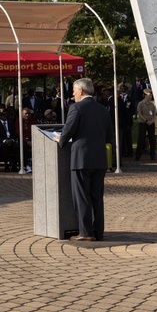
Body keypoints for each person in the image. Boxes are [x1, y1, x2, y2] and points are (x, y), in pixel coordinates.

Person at [60, 77, 113, 242]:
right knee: (97, 197)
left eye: (74, 91)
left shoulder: (76, 108)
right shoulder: (103, 109)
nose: (73, 94)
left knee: (82, 196)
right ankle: (98, 232)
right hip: (99, 159)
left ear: (81, 91)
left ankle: (85, 232)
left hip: (81, 159)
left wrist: (60, 140)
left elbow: (68, 130)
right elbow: (109, 136)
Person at [135, 90, 157, 161]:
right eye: (149, 95)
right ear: (145, 96)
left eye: (151, 95)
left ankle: (152, 155)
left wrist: (152, 121)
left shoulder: (152, 104)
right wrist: (145, 120)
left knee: (152, 139)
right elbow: (139, 113)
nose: (150, 97)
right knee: (141, 138)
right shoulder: (141, 103)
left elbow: (154, 114)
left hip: (151, 123)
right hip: (143, 122)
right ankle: (138, 155)